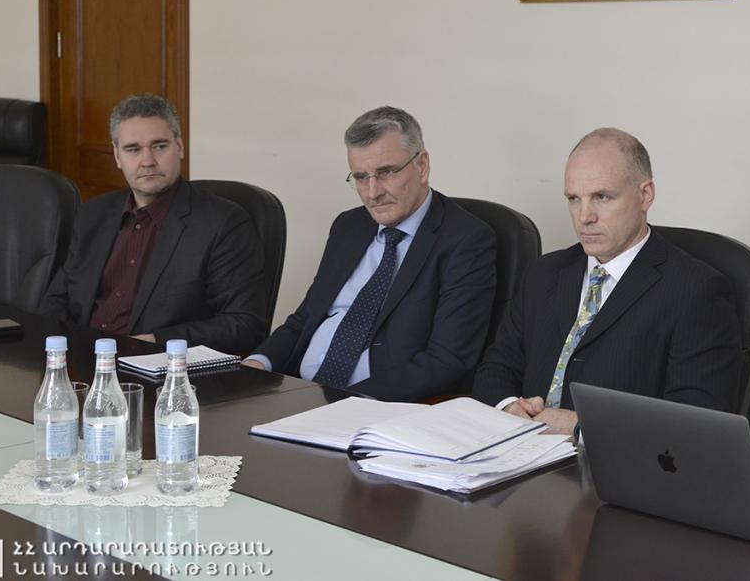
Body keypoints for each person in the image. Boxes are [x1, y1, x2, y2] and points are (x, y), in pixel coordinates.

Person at [472, 128, 742, 436]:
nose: (584, 216)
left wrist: (580, 427)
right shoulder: (543, 273)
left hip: (614, 463)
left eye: (602, 197)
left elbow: (696, 422)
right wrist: (510, 408)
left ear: (645, 195)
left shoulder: (697, 290)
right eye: (574, 199)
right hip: (517, 450)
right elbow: (495, 368)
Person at [244, 106, 497, 402]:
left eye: (386, 172)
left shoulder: (465, 240)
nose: (372, 193)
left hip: (377, 405)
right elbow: (306, 319)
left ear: (422, 165)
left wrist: (347, 403)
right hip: (300, 393)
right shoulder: (348, 226)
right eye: (361, 177)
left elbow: (447, 359)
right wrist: (257, 364)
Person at [41, 93, 268, 351]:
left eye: (159, 146)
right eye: (133, 149)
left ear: (179, 147)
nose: (147, 161)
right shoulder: (94, 213)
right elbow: (57, 300)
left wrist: (155, 342)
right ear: (117, 156)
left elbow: (244, 324)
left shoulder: (223, 224)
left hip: (156, 365)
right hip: (79, 360)